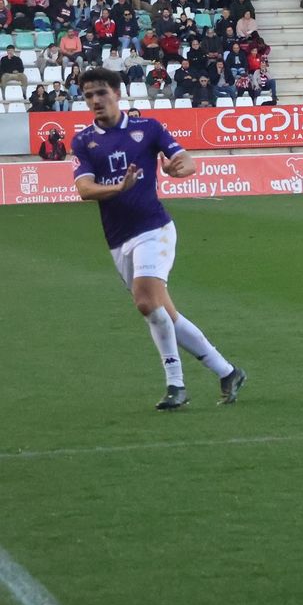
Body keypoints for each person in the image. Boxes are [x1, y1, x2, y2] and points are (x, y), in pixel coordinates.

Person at [70, 67, 246, 411]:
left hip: (154, 228)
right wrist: (118, 188)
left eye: (101, 93)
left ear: (117, 93)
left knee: (145, 302)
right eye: (89, 95)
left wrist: (177, 166)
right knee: (164, 312)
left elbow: (186, 161)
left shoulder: (147, 128)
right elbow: (83, 189)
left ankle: (176, 385)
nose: (95, 100)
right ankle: (227, 372)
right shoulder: (83, 141)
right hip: (118, 239)